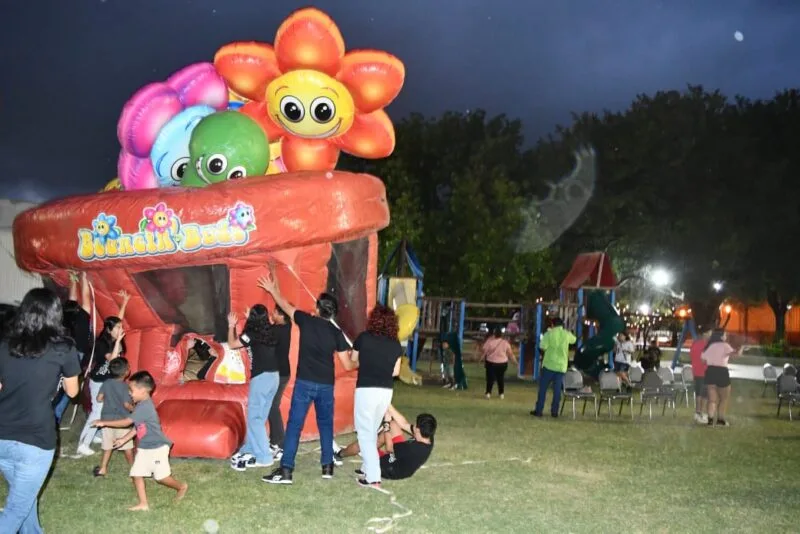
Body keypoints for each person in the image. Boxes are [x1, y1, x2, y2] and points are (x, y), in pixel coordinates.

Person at [257, 268, 353, 485]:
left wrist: (273, 290)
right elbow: (348, 365)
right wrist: (358, 358)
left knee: (294, 426)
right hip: (326, 386)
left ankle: (286, 470)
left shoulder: (306, 320)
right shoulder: (336, 334)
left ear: (318, 309)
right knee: (326, 425)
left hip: (305, 384)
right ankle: (327, 466)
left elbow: (285, 306)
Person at [0, 288, 81, 533]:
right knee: (15, 510)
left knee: (25, 499)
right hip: (35, 440)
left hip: (2, 435)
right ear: (55, 314)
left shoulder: (4, 344)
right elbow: (73, 392)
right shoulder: (64, 348)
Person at [93, 371, 188, 511]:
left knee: (161, 478)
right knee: (136, 474)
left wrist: (104, 422)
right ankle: (143, 504)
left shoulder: (145, 407)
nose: (129, 393)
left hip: (157, 447)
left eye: (131, 390)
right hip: (144, 447)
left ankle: (182, 486)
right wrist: (124, 439)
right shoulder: (140, 405)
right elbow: (138, 427)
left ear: (143, 390)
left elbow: (126, 422)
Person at [350, 305, 403, 488]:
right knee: (371, 429)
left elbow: (353, 360)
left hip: (366, 389)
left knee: (364, 432)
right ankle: (366, 467)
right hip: (386, 391)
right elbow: (395, 372)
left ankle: (373, 477)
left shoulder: (363, 338)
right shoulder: (396, 344)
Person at [76, 290, 130, 456]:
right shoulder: (102, 343)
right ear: (109, 330)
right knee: (97, 412)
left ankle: (97, 434)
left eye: (121, 327)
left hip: (108, 381)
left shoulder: (113, 336)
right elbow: (112, 360)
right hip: (98, 381)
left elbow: (116, 320)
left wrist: (125, 302)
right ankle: (82, 444)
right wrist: (119, 342)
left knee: (106, 409)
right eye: (117, 328)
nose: (120, 329)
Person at [227, 305, 281, 471]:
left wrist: (231, 325)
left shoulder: (251, 334)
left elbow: (232, 344)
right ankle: (250, 448)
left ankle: (264, 457)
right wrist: (252, 316)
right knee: (260, 417)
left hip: (261, 378)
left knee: (254, 419)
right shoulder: (271, 331)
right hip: (274, 377)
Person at [338, 405, 435, 482]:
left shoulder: (413, 449)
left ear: (418, 430)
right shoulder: (427, 436)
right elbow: (403, 423)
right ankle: (371, 447)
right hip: (400, 460)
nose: (413, 426)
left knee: (365, 443)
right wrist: (387, 404)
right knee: (394, 424)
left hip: (391, 469)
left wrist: (386, 424)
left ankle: (340, 454)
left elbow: (389, 447)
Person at [54, 271, 92, 423]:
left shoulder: (63, 319)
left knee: (57, 388)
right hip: (76, 356)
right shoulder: (82, 318)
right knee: (67, 391)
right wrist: (83, 278)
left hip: (61, 354)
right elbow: (86, 300)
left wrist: (73, 280)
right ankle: (56, 417)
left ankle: (54, 415)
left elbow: (72, 300)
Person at [93, 357, 134, 477]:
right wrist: (135, 409)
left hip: (106, 420)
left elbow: (99, 399)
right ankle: (133, 469)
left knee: (107, 446)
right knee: (127, 447)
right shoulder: (126, 387)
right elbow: (127, 405)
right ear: (127, 372)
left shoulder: (106, 383)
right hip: (122, 420)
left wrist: (109, 399)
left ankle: (103, 469)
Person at [532, 317, 577, 418]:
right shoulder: (566, 334)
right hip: (561, 367)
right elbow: (574, 340)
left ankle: (539, 410)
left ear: (552, 324)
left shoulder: (549, 334)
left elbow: (542, 347)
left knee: (543, 389)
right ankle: (554, 411)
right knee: (557, 390)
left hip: (549, 365)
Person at [701, 329, 741, 426]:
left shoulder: (709, 346)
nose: (726, 336)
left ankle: (710, 419)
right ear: (721, 336)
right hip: (722, 372)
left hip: (710, 372)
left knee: (712, 399)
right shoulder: (725, 346)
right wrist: (741, 348)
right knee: (724, 398)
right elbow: (735, 355)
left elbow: (703, 359)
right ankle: (720, 420)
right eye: (725, 334)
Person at [268, 307, 292, 458]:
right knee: (272, 406)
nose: (272, 314)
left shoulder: (277, 331)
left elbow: (264, 335)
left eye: (275, 312)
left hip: (279, 374)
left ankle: (280, 442)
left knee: (272, 406)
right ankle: (276, 440)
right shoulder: (286, 326)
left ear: (282, 315)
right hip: (282, 372)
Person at [479, 327, 518, 399]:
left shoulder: (490, 341)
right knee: (501, 378)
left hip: (491, 362)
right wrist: (515, 363)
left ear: (494, 334)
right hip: (502, 363)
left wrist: (480, 359)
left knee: (490, 378)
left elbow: (484, 351)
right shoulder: (505, 343)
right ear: (501, 335)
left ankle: (488, 393)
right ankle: (501, 394)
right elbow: (510, 354)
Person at [689, 330, 711, 424]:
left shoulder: (695, 344)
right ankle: (701, 414)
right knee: (704, 394)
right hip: (705, 372)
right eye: (710, 333)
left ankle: (698, 413)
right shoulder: (707, 345)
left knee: (699, 393)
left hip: (696, 372)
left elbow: (692, 356)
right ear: (705, 334)